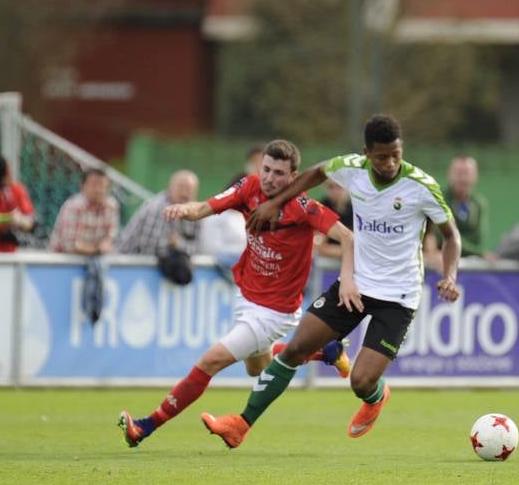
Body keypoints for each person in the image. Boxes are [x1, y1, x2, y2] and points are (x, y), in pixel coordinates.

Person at [200, 115, 460, 448]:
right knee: (295, 348)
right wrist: (275, 204)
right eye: (382, 156)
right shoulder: (352, 168)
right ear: (366, 153)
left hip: (399, 297)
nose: (391, 162)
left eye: (396, 153)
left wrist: (449, 275)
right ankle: (240, 425)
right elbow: (315, 173)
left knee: (361, 382)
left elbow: (451, 236)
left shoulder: (421, 186)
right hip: (356, 286)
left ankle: (376, 396)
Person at [118, 140, 355, 447]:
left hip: (275, 313)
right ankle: (327, 352)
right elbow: (204, 207)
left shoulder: (305, 208)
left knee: (209, 362)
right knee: (256, 368)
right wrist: (185, 210)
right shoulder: (250, 187)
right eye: (266, 169)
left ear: (294, 177)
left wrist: (347, 278)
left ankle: (145, 426)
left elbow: (348, 238)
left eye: (279, 173)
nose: (270, 178)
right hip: (247, 297)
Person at [116, 170, 200, 284]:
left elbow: (200, 247)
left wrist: (179, 244)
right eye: (181, 187)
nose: (185, 193)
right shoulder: (157, 208)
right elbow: (149, 248)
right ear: (169, 188)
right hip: (126, 268)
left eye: (190, 189)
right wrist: (179, 249)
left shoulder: (194, 210)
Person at [48, 167, 119, 257]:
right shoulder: (74, 206)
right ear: (82, 186)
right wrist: (98, 249)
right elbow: (70, 246)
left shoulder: (112, 206)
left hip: (95, 260)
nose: (98, 190)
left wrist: (97, 249)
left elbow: (110, 240)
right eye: (94, 185)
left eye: (102, 185)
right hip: (63, 263)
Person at [314, 180, 354, 259]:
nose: (335, 191)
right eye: (331, 187)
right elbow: (320, 247)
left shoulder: (355, 209)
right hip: (328, 259)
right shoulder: (322, 207)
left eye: (339, 186)